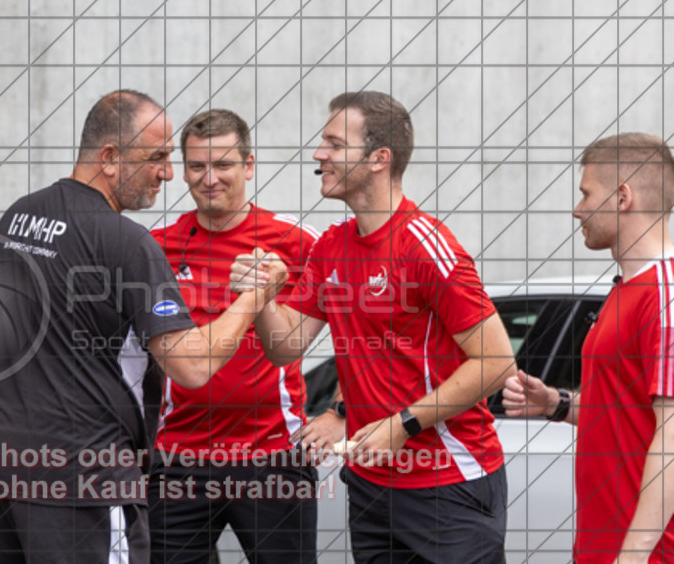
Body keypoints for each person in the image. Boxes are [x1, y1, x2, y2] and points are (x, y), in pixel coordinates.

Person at [0, 90, 286, 564]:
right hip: (81, 485)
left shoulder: (19, 216)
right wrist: (255, 297)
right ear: (109, 157)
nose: (167, 172)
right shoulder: (128, 242)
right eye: (157, 157)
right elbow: (191, 367)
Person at [231, 90, 517, 563]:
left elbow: (496, 360)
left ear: (379, 158)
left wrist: (405, 425)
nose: (319, 154)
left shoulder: (425, 244)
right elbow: (285, 348)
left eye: (335, 144)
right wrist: (261, 294)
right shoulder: (331, 246)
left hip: (449, 482)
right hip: (370, 483)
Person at [148, 109, 321, 564]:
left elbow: (365, 329)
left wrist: (343, 410)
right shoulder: (155, 246)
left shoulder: (296, 240)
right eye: (197, 166)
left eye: (223, 164)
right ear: (182, 170)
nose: (210, 178)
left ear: (248, 164)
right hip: (177, 459)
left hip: (272, 456)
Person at [502, 133, 674, 563]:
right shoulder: (625, 290)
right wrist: (556, 404)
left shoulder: (665, 294)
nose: (577, 210)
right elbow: (626, 411)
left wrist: (632, 556)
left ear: (622, 197)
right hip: (601, 546)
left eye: (585, 194)